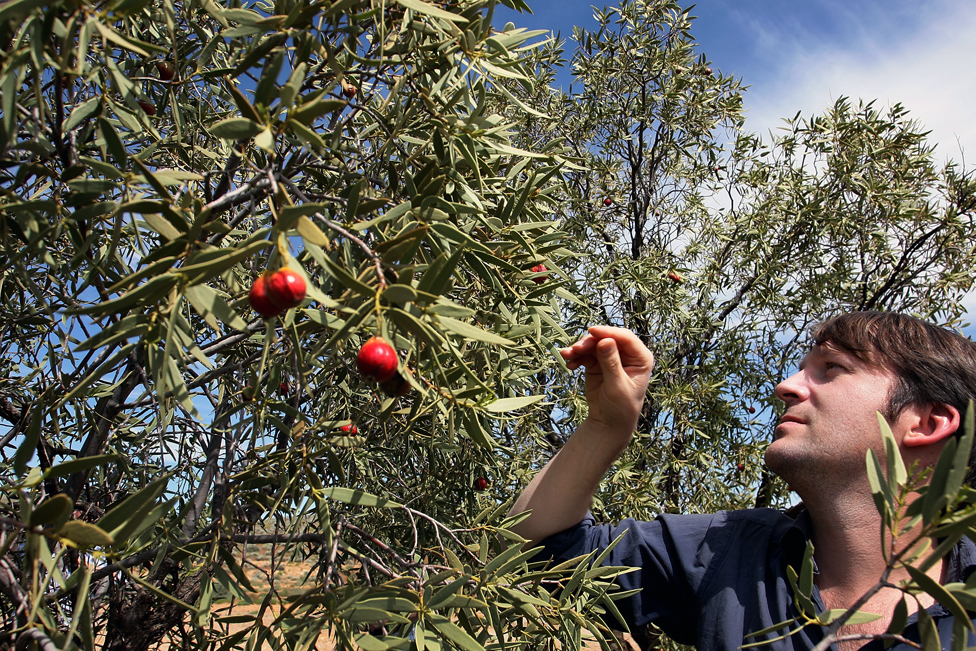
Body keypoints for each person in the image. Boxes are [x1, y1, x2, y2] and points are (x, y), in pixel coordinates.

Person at [509, 311, 976, 651]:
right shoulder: (726, 551)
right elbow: (534, 553)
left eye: (830, 369)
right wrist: (605, 427)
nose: (787, 386)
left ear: (927, 423)